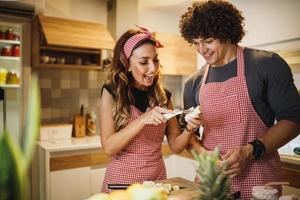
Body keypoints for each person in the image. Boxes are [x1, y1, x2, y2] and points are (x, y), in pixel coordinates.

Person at [179, 1, 300, 199]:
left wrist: (251, 151)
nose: (201, 49)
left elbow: (294, 119)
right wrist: (204, 155)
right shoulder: (193, 82)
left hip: (259, 180)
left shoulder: (267, 64)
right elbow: (187, 136)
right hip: (211, 183)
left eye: (208, 40)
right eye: (195, 42)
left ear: (226, 33)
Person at [99, 26, 203, 193]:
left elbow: (176, 145)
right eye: (143, 62)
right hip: (122, 185)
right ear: (127, 64)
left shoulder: (163, 97)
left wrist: (190, 128)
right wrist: (142, 120)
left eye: (155, 60)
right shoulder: (111, 92)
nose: (152, 68)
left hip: (157, 183)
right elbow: (109, 148)